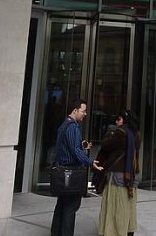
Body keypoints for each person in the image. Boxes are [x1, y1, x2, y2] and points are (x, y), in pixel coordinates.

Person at [94, 110, 141, 236]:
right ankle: (127, 230)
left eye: (118, 119)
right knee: (128, 205)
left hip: (118, 176)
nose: (116, 121)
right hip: (131, 176)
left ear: (124, 120)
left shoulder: (120, 134)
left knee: (116, 206)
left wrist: (110, 132)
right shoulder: (136, 134)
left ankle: (115, 231)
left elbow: (105, 144)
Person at [50, 98, 93, 236]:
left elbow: (67, 148)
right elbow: (74, 150)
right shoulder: (73, 127)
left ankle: (56, 233)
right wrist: (90, 162)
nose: (85, 114)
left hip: (62, 171)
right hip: (71, 173)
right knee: (70, 207)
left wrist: (82, 146)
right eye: (83, 111)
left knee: (61, 205)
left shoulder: (63, 125)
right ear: (75, 110)